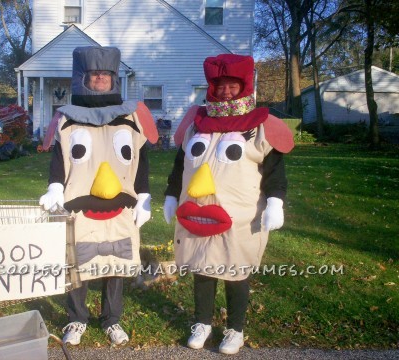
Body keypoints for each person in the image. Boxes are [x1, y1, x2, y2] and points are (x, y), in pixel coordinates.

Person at [163, 54, 294, 355]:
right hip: (197, 212)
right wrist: (171, 194)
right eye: (219, 85)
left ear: (243, 86)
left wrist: (276, 202)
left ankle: (235, 329)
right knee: (202, 268)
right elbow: (181, 164)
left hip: (239, 215)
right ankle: (203, 323)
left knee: (236, 271)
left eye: (231, 85)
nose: (224, 91)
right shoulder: (197, 124)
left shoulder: (260, 126)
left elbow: (275, 170)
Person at [40, 46, 158, 346]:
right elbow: (59, 156)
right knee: (76, 262)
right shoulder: (67, 119)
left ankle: (111, 318)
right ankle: (77, 318)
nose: (101, 79)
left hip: (119, 202)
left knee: (115, 264)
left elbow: (140, 159)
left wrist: (143, 195)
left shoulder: (131, 118)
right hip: (80, 200)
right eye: (95, 75)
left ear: (114, 78)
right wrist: (55, 185)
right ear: (83, 78)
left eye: (106, 74)